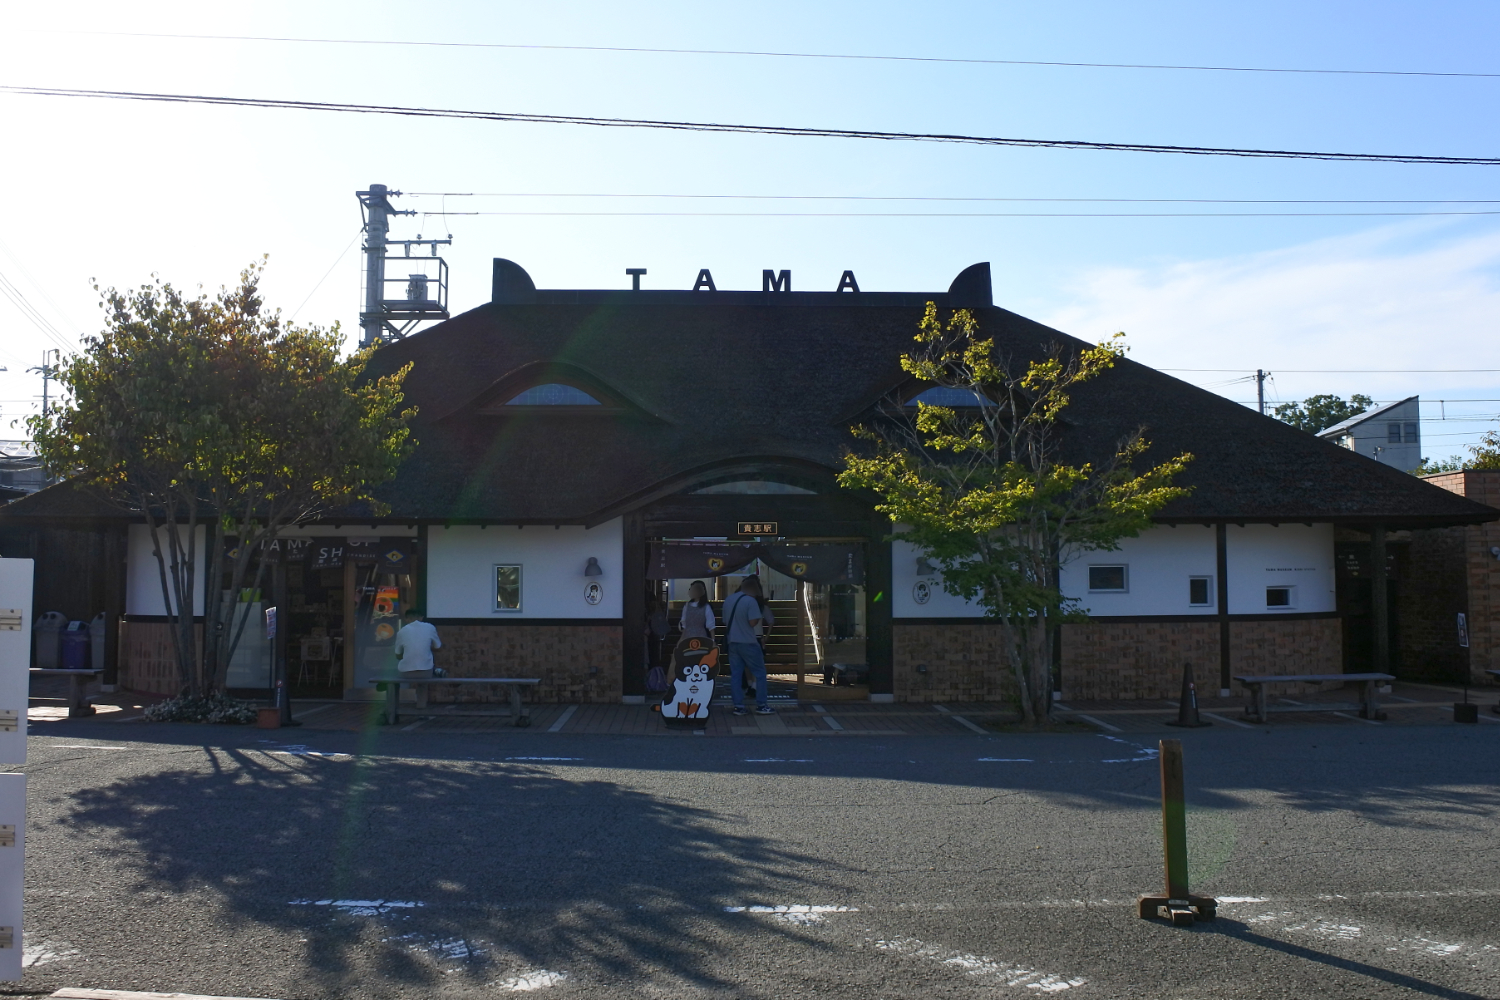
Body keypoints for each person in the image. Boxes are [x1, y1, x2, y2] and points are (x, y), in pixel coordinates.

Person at [723, 575, 773, 715]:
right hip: (749, 642)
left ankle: (738, 706)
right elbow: (753, 623)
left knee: (736, 675)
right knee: (760, 673)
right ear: (753, 589)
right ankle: (762, 705)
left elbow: (724, 620)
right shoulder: (751, 601)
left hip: (732, 642)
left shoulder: (729, 599)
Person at [393, 608, 443, 680]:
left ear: (406, 619)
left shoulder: (401, 631)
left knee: (397, 674)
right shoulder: (430, 627)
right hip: (426, 672)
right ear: (421, 618)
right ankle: (437, 671)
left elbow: (397, 655)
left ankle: (397, 690)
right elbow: (438, 647)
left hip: (405, 672)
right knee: (426, 678)